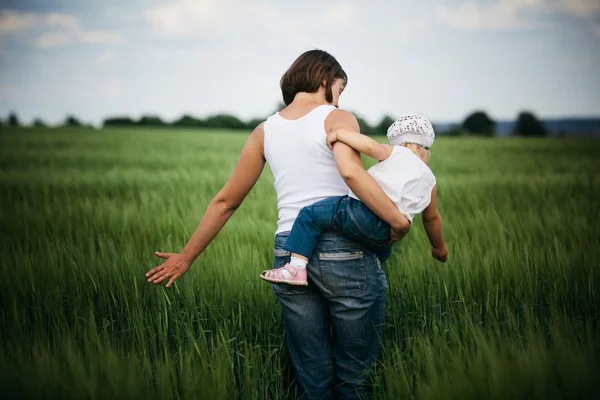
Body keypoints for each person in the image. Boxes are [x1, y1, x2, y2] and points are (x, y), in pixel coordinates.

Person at [145, 49, 410, 399]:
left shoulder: (264, 130)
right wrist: (397, 221)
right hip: (342, 246)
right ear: (324, 81)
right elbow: (349, 171)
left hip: (288, 252)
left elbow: (226, 201)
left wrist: (187, 256)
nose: (340, 98)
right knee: (355, 377)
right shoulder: (337, 117)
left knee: (312, 380)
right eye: (340, 88)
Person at [259, 114, 448, 286]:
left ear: (400, 144)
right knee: (383, 251)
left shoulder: (396, 152)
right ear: (427, 150)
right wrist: (439, 247)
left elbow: (370, 146)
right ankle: (368, 272)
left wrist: (339, 134)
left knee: (310, 214)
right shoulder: (430, 181)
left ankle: (296, 268)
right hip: (385, 234)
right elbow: (431, 219)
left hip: (360, 212)